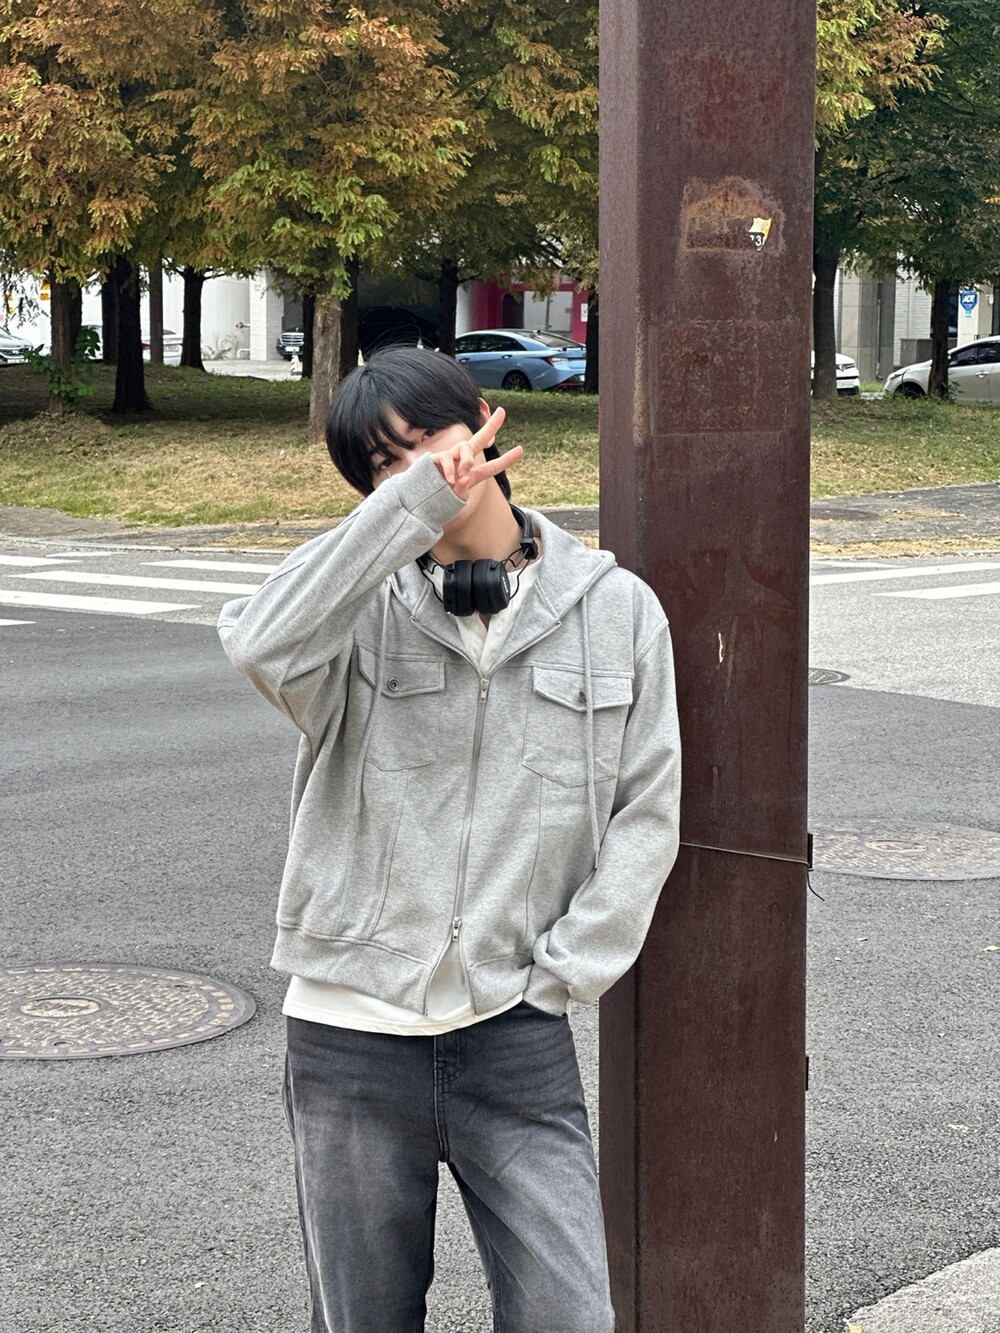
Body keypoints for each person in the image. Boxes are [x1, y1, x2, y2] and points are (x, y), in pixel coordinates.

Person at [218, 345, 681, 1333]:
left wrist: (563, 972)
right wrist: (409, 507)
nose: (417, 467)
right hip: (349, 1034)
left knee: (569, 1316)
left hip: (515, 1031)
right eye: (381, 465)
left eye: (427, 438)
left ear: (481, 419)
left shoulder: (616, 610)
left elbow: (647, 810)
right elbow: (257, 639)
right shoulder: (353, 614)